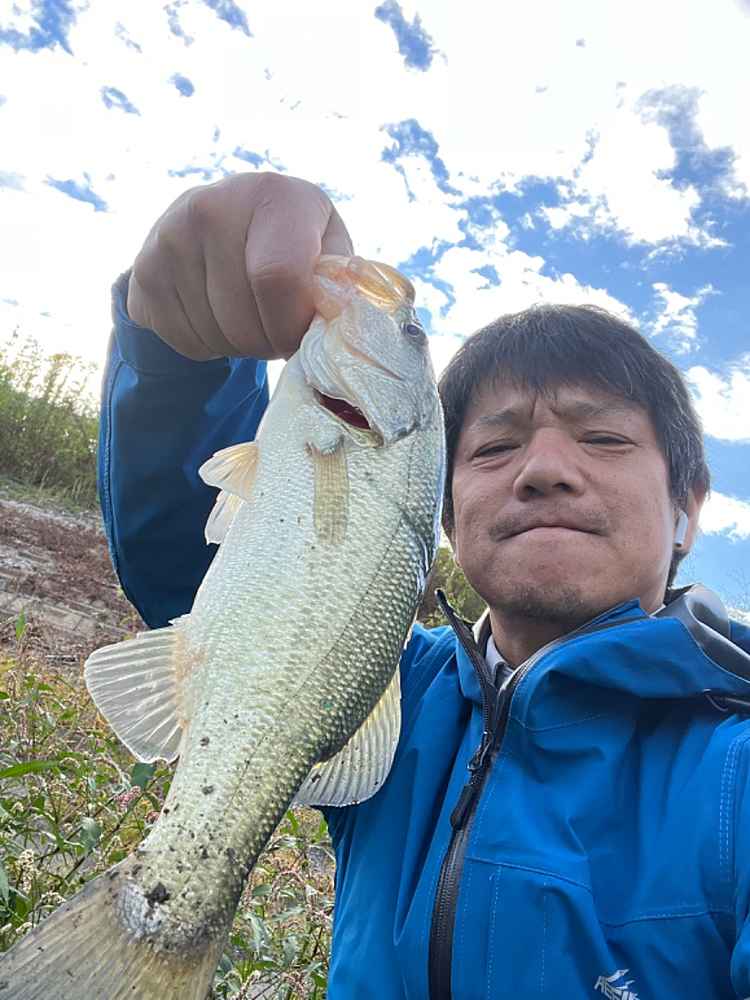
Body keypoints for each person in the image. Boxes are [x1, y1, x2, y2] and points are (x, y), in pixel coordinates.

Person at [102, 171, 750, 998]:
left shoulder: (735, 768)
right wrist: (175, 357)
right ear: (441, 511)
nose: (544, 470)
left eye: (604, 438)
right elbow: (194, 563)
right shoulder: (400, 692)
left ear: (687, 511)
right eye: (494, 448)